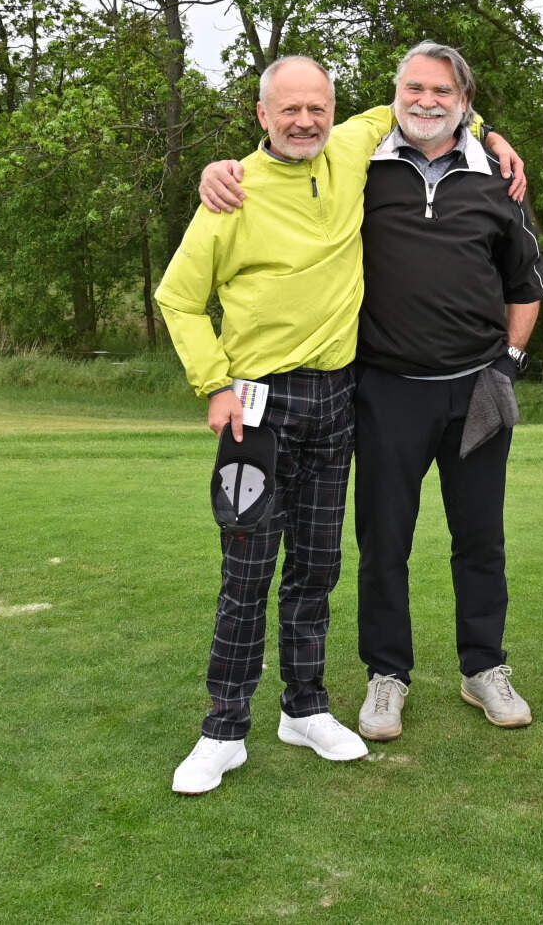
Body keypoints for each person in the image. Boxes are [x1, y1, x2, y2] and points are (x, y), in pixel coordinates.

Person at [200, 43, 543, 743]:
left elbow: (525, 283)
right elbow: (286, 150)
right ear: (394, 96)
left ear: (465, 101)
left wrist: (507, 366)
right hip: (386, 391)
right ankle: (388, 676)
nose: (427, 101)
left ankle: (484, 666)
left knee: (481, 537)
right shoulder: (360, 162)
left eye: (443, 91)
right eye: (414, 88)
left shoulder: (496, 176)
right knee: (384, 542)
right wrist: (220, 168)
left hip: (478, 389)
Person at [155, 55, 383, 795]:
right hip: (255, 408)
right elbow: (178, 298)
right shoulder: (231, 192)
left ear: (334, 110)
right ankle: (224, 728)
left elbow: (429, 102)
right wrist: (214, 384)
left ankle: (304, 708)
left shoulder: (354, 146)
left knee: (316, 567)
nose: (305, 121)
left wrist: (491, 136)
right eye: (289, 109)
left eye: (318, 108)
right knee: (248, 572)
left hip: (336, 399)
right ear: (262, 115)